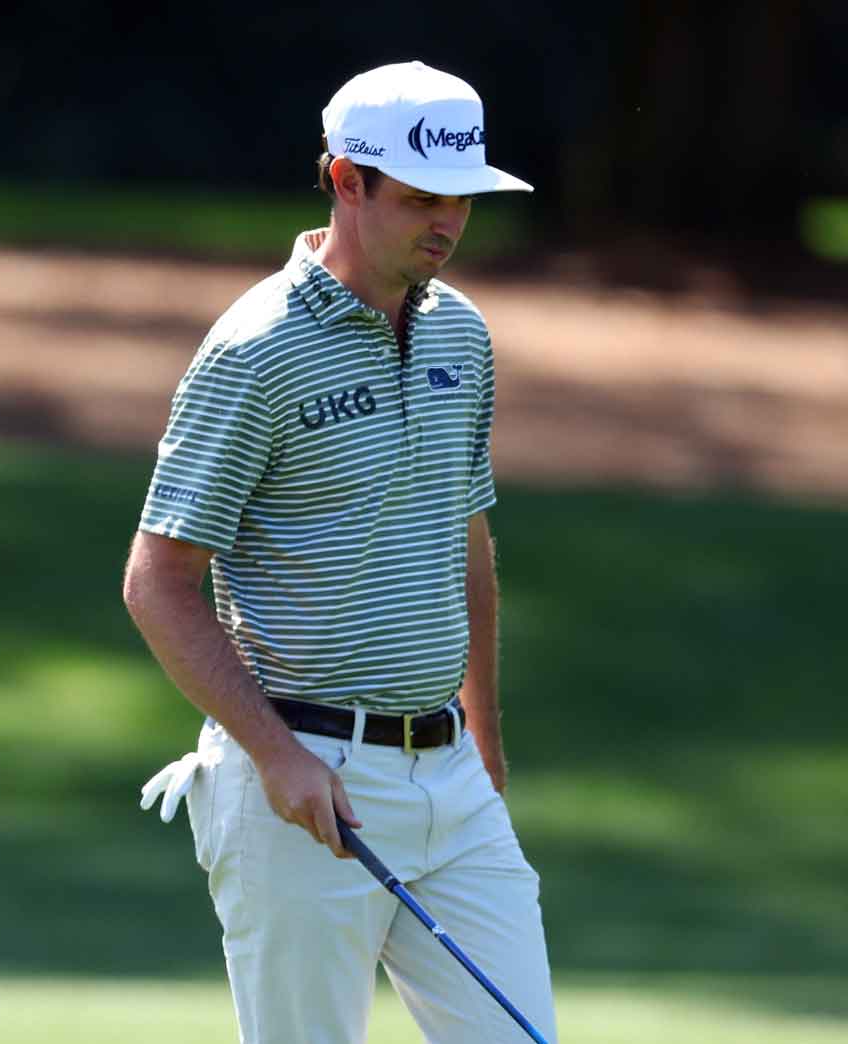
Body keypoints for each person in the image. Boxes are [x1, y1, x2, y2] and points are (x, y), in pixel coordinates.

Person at [124, 61, 556, 1042]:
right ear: (342, 180)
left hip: (448, 777)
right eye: (418, 198)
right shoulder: (253, 352)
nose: (445, 223)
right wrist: (275, 758)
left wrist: (483, 741)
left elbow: (465, 541)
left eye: (460, 200)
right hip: (302, 785)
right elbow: (158, 580)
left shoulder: (462, 335)